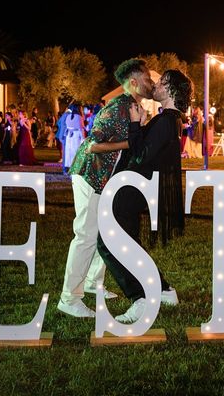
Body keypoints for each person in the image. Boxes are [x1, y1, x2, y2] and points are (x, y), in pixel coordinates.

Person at [88, 69, 192, 323]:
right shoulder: (169, 119)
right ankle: (164, 290)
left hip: (131, 190)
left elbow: (140, 155)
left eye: (160, 82)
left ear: (169, 89)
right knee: (129, 244)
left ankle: (139, 298)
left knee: (108, 243)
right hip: (134, 189)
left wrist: (135, 124)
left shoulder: (167, 120)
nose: (155, 85)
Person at [57, 59, 154, 318]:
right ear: (133, 82)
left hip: (103, 180)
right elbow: (91, 145)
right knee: (86, 236)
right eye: (147, 79)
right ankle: (69, 298)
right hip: (90, 176)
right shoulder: (117, 108)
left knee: (104, 231)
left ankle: (91, 282)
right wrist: (128, 143)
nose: (151, 84)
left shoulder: (133, 107)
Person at [62, 103, 85, 171]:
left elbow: (67, 126)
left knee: (69, 151)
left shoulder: (68, 116)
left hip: (69, 136)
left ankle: (69, 165)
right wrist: (83, 139)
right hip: (76, 135)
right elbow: (81, 128)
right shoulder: (79, 117)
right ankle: (76, 165)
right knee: (76, 150)